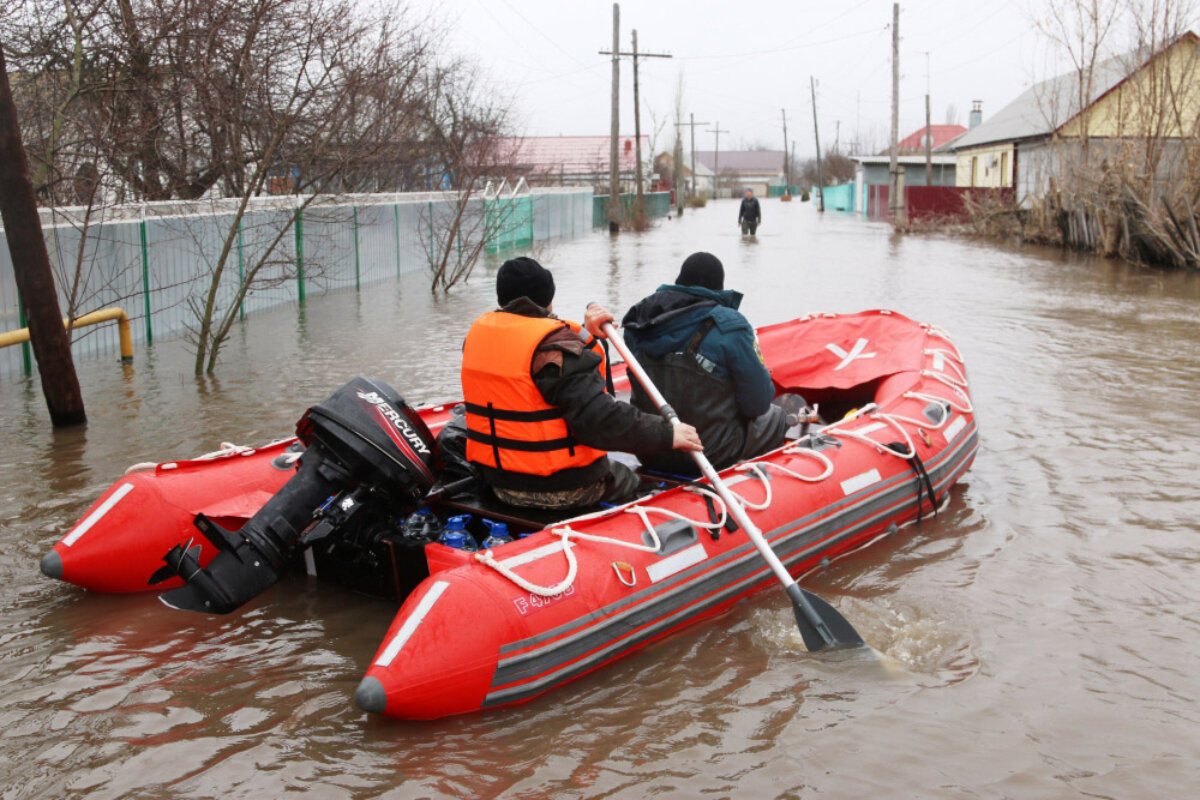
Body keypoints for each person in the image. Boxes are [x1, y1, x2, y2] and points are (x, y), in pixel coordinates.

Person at [461, 256, 703, 511]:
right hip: (563, 487)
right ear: (548, 298)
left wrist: (584, 332)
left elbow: (538, 360)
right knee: (630, 478)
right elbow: (601, 420)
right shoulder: (556, 350)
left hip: (499, 484)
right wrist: (667, 434)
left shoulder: (476, 339)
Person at [620, 251, 789, 476]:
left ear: (680, 281)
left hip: (652, 449)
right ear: (718, 288)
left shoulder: (638, 323)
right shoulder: (730, 326)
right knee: (776, 416)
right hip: (712, 453)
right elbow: (757, 404)